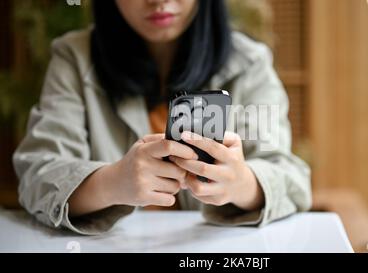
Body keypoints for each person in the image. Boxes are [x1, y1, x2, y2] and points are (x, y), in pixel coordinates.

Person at [13, 0, 311, 235]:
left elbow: (290, 178)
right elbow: (38, 173)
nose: (158, 1)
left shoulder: (249, 63)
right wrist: (112, 182)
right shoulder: (74, 58)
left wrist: (243, 183)